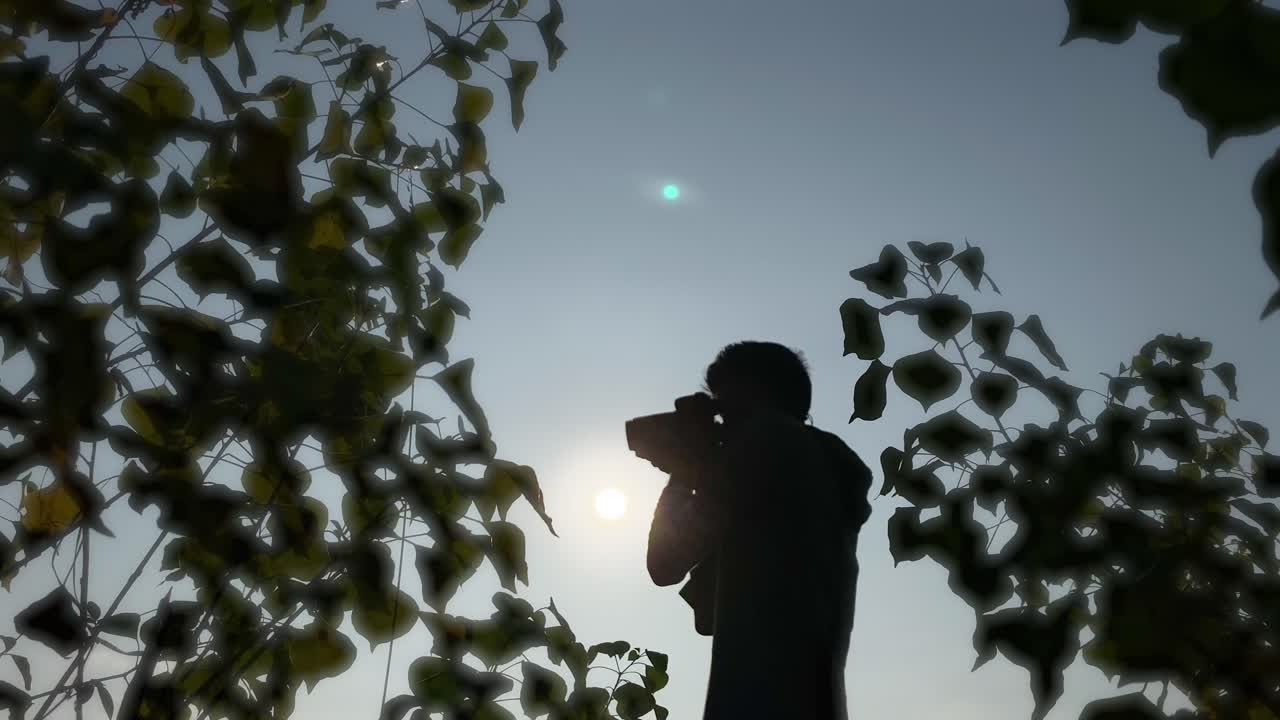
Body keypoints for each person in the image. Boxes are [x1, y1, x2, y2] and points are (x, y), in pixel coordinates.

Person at [646, 341, 873, 720]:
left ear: (756, 395)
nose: (721, 418)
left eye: (724, 404)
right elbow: (708, 614)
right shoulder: (827, 466)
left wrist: (682, 471)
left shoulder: (765, 442)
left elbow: (665, 564)